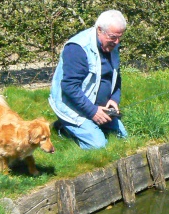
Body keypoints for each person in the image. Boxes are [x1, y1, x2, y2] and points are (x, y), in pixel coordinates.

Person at [49, 10, 128, 149]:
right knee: (99, 146)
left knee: (122, 137)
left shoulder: (111, 45)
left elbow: (116, 76)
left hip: (99, 107)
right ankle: (63, 129)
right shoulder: (77, 49)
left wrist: (114, 99)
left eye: (120, 37)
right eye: (113, 37)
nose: (117, 42)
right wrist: (92, 111)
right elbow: (69, 87)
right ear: (99, 30)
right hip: (73, 108)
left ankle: (89, 126)